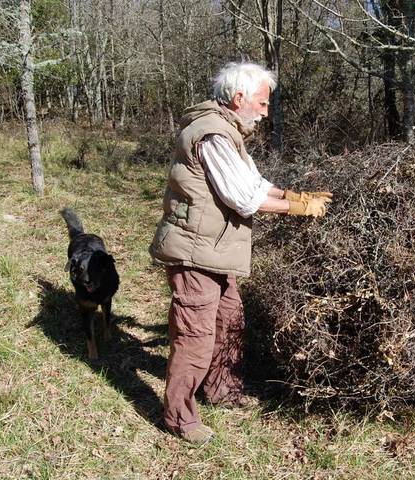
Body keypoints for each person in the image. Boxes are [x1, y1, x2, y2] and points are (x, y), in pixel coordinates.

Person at [149, 62, 332, 444]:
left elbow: (255, 182)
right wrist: (297, 210)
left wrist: (292, 196)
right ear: (239, 99)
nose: (266, 112)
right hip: (194, 251)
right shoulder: (212, 135)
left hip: (213, 250)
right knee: (194, 335)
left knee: (228, 320)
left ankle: (221, 390)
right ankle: (179, 416)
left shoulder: (228, 132)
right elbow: (243, 197)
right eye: (263, 103)